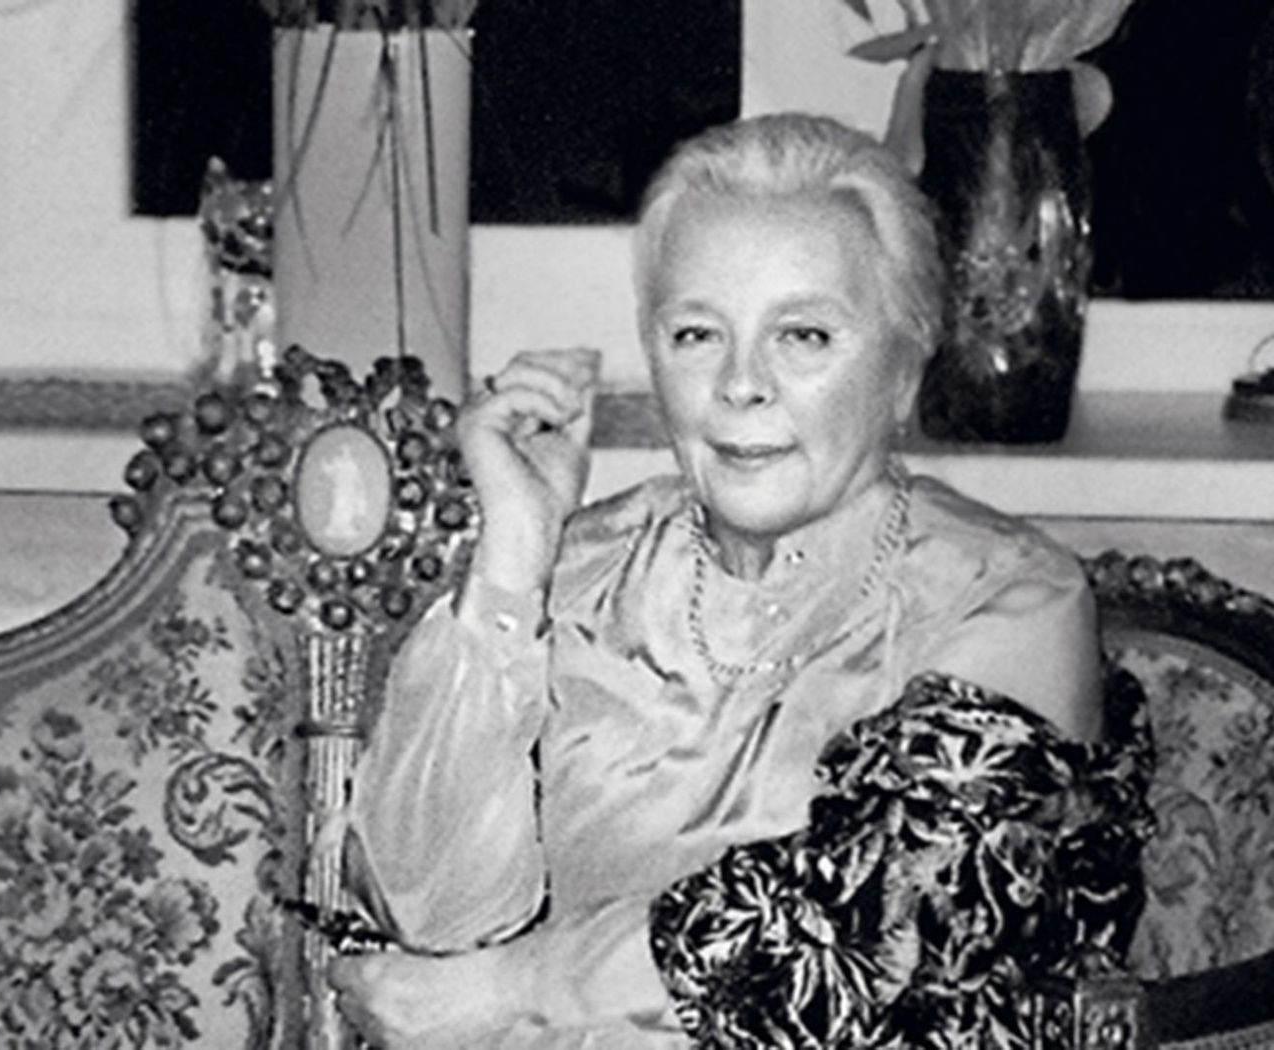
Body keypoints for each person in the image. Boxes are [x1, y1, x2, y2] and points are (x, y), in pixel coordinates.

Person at [324, 113, 1150, 1048]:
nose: (741, 383)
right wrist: (512, 564)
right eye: (696, 334)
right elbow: (421, 925)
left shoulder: (1011, 599)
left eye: (803, 335)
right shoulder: (582, 572)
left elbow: (869, 919)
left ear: (904, 367)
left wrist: (519, 987)